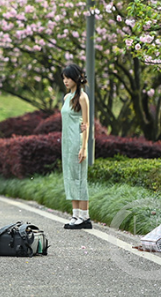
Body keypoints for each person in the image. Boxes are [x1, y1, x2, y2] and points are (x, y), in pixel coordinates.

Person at [61, 63, 92, 229]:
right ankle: (75, 215)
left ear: (76, 78)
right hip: (66, 142)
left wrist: (84, 147)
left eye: (68, 78)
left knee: (79, 177)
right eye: (64, 78)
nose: (65, 81)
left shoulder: (82, 97)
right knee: (70, 177)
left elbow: (86, 124)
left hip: (77, 141)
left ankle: (84, 217)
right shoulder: (67, 98)